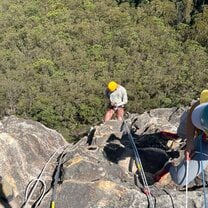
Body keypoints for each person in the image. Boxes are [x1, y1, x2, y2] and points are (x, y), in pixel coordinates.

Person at [155, 89, 208, 186]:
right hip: (204, 138)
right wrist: (190, 142)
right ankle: (181, 136)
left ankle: (169, 167)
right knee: (183, 131)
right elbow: (193, 112)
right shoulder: (205, 99)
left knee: (181, 179)